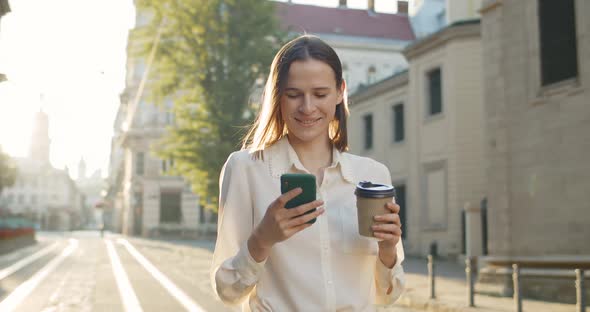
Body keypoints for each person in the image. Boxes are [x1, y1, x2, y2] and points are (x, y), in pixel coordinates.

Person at [211, 35, 405, 311]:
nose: (307, 107)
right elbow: (227, 291)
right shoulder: (245, 169)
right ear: (277, 96)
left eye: (320, 94)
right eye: (293, 95)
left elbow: (387, 294)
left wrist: (388, 251)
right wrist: (262, 239)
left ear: (340, 92)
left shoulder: (372, 176)